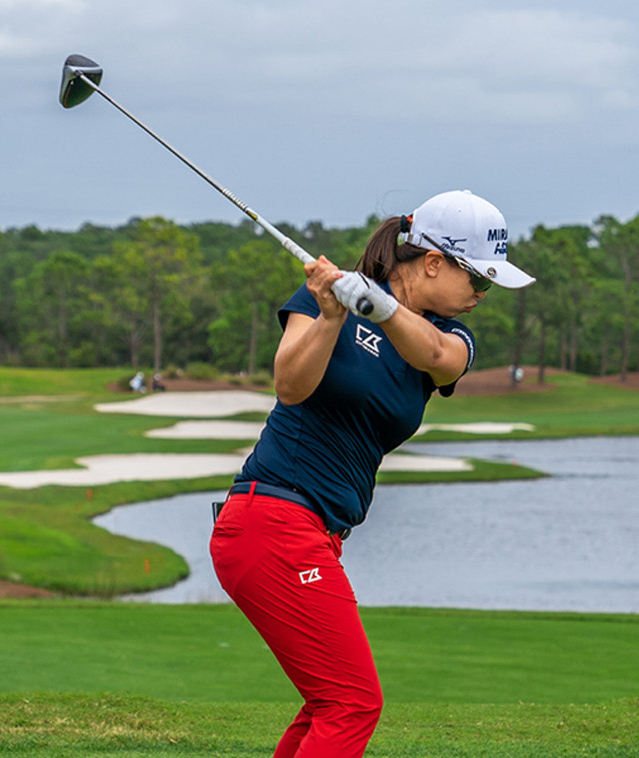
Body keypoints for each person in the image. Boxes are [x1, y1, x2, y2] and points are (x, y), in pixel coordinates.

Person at [210, 190, 533, 757]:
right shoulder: (323, 301)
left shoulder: (449, 335)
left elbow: (437, 356)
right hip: (273, 520)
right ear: (433, 262)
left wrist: (380, 307)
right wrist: (332, 317)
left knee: (327, 701)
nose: (481, 296)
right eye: (478, 280)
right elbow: (290, 386)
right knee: (352, 702)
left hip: (313, 533)